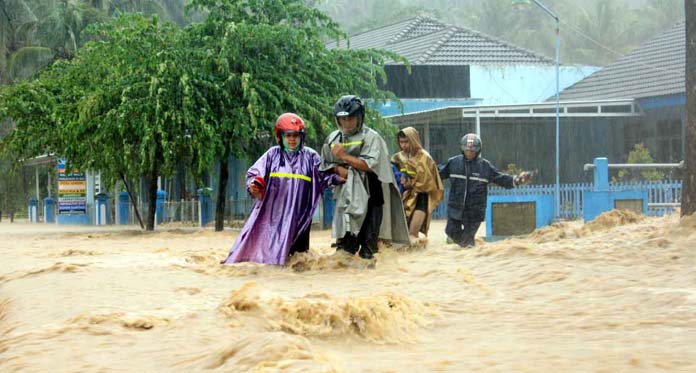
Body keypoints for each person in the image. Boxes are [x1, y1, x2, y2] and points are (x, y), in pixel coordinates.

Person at [221, 113, 341, 266]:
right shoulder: (272, 155)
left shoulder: (311, 157)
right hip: (272, 217)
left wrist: (341, 177)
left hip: (300, 218)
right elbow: (254, 175)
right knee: (269, 258)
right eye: (288, 135)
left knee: (299, 260)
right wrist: (254, 186)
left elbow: (325, 176)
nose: (292, 139)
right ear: (280, 137)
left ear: (301, 137)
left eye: (296, 135)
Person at [320, 95, 409, 259]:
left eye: (350, 118)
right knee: (344, 251)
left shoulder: (371, 137)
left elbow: (369, 165)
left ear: (360, 117)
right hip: (346, 199)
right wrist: (338, 171)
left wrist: (344, 157)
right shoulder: (333, 138)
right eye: (342, 119)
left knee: (368, 251)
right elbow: (324, 165)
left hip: (372, 197)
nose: (346, 123)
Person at [438, 133, 533, 248]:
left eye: (472, 151)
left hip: (475, 212)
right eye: (467, 150)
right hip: (455, 208)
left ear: (478, 151)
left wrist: (517, 180)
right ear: (462, 149)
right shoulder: (453, 163)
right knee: (450, 231)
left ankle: (469, 254)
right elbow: (437, 174)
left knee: (467, 241)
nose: (469, 153)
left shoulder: (485, 167)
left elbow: (500, 178)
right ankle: (470, 249)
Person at [391, 127, 444, 242]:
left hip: (421, 197)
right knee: (399, 235)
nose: (404, 145)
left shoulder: (424, 157)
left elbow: (427, 182)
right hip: (403, 196)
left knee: (412, 235)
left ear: (413, 140)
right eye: (401, 142)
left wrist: (411, 184)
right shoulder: (397, 157)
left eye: (406, 142)